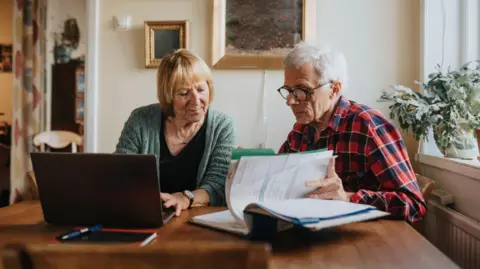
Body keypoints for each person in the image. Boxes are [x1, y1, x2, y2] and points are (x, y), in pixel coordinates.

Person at [277, 43, 426, 223]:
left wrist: (348, 198)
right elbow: (279, 182)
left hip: (367, 241)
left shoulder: (368, 126)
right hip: (314, 232)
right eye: (289, 91)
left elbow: (414, 204)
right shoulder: (300, 130)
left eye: (302, 90)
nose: (290, 101)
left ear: (334, 89)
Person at [115, 49, 235, 216]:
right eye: (184, 93)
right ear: (168, 96)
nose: (195, 101)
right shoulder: (140, 120)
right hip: (147, 215)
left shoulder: (222, 126)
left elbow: (217, 185)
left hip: (199, 217)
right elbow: (120, 173)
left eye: (201, 90)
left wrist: (185, 198)